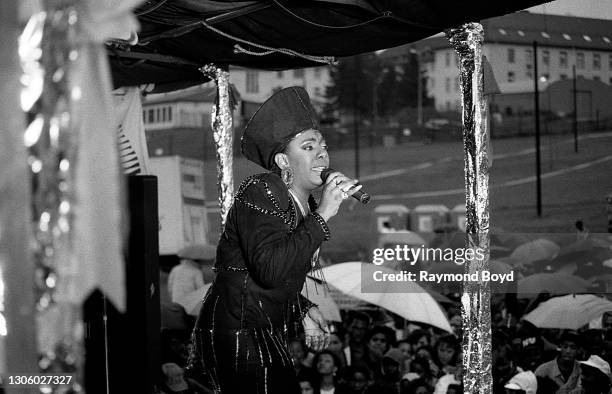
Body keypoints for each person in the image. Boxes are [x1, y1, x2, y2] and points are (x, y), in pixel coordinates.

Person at [189, 87, 361, 393]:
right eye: (308, 147)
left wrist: (303, 309)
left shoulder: (301, 205)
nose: (322, 153)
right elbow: (269, 269)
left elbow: (274, 272)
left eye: (323, 146)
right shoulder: (262, 189)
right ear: (283, 161)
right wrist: (322, 216)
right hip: (240, 330)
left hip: (258, 326)